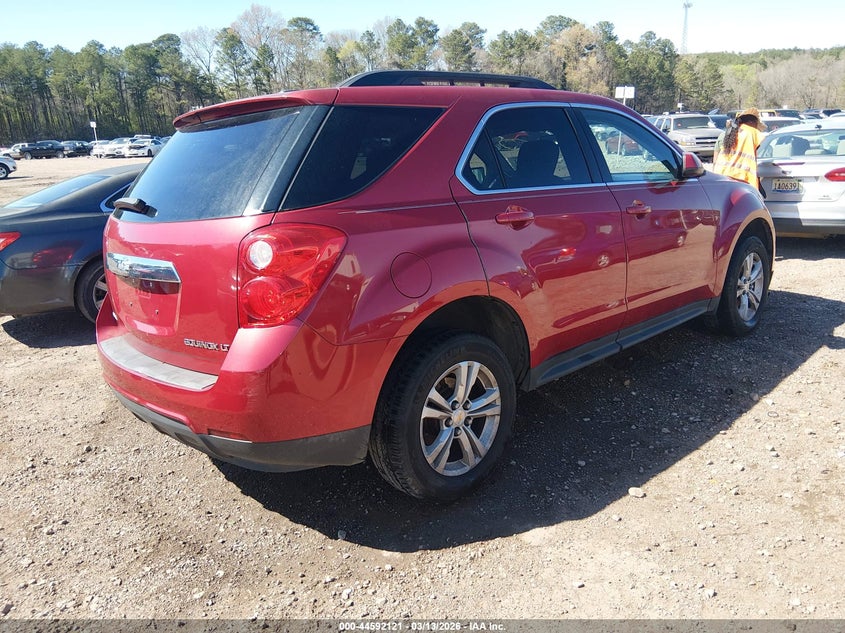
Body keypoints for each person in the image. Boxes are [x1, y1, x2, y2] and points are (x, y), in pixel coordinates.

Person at [712, 107, 767, 191]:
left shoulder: (731, 132)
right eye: (756, 124)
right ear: (751, 122)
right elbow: (761, 144)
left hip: (722, 175)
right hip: (741, 178)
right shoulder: (751, 132)